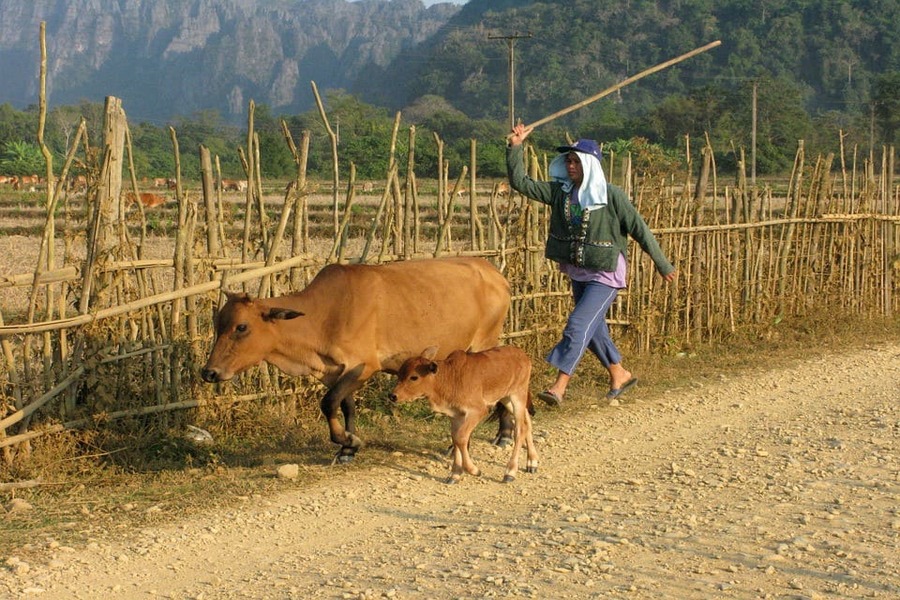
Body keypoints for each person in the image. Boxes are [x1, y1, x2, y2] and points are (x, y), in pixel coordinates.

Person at [506, 123, 677, 404]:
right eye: (568, 161)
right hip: (579, 270)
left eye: (576, 161)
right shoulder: (560, 192)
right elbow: (521, 183)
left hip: (606, 271)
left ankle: (559, 386)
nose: (571, 166)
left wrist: (663, 264)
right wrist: (515, 147)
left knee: (577, 325)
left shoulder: (611, 195)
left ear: (590, 165)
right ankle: (619, 373)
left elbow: (639, 229)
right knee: (593, 328)